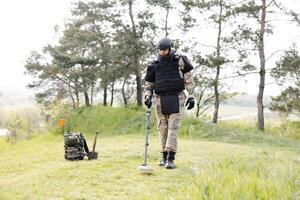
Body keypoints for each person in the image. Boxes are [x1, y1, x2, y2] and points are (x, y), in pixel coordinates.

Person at [143, 37, 195, 169]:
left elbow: (188, 78)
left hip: (177, 98)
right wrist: (148, 96)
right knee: (163, 128)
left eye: (164, 50)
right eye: (160, 50)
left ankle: (170, 158)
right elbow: (149, 84)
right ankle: (163, 155)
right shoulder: (154, 65)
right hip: (160, 99)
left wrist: (191, 96)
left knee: (173, 128)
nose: (162, 52)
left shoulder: (179, 60)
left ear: (170, 48)